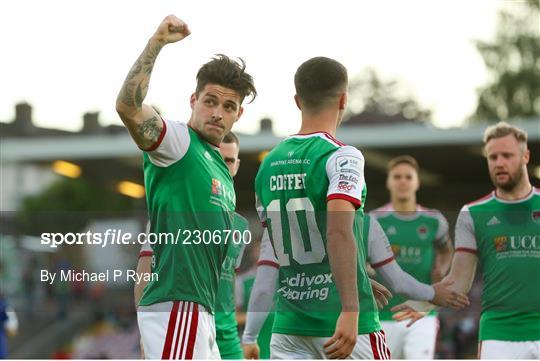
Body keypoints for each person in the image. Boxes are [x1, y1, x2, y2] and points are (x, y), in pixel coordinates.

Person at [116, 15, 256, 359]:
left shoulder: (222, 170)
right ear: (193, 99)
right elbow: (128, 107)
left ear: (237, 115)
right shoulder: (178, 142)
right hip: (177, 307)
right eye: (210, 101)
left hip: (200, 312)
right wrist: (157, 43)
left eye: (228, 106)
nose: (218, 112)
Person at [254, 56, 390, 359]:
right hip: (341, 323)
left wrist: (355, 274)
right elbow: (337, 232)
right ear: (343, 100)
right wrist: (352, 307)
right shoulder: (343, 157)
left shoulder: (268, 165)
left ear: (297, 100)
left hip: (288, 327)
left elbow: (286, 238)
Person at [393, 122, 539, 359]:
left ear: (525, 156)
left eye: (507, 156)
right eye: (493, 157)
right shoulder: (472, 213)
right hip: (499, 336)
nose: (499, 162)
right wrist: (426, 301)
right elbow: (459, 281)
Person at [241, 214, 468, 359]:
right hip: (348, 332)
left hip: (290, 333)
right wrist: (432, 292)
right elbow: (397, 282)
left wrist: (249, 338)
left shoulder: (279, 223)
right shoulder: (365, 223)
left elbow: (263, 286)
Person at [136, 132, 250, 359]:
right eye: (218, 158)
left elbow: (227, 286)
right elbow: (145, 271)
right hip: (187, 324)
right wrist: (144, 332)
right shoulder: (175, 213)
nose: (224, 167)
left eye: (229, 161)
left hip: (227, 341)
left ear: (237, 165)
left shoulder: (241, 226)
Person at [370, 155, 454, 359]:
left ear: (417, 181)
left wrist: (441, 270)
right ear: (389, 182)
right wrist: (367, 270)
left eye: (408, 177)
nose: (403, 181)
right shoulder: (373, 220)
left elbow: (446, 250)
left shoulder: (434, 220)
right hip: (382, 316)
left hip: (422, 313)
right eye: (397, 177)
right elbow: (360, 259)